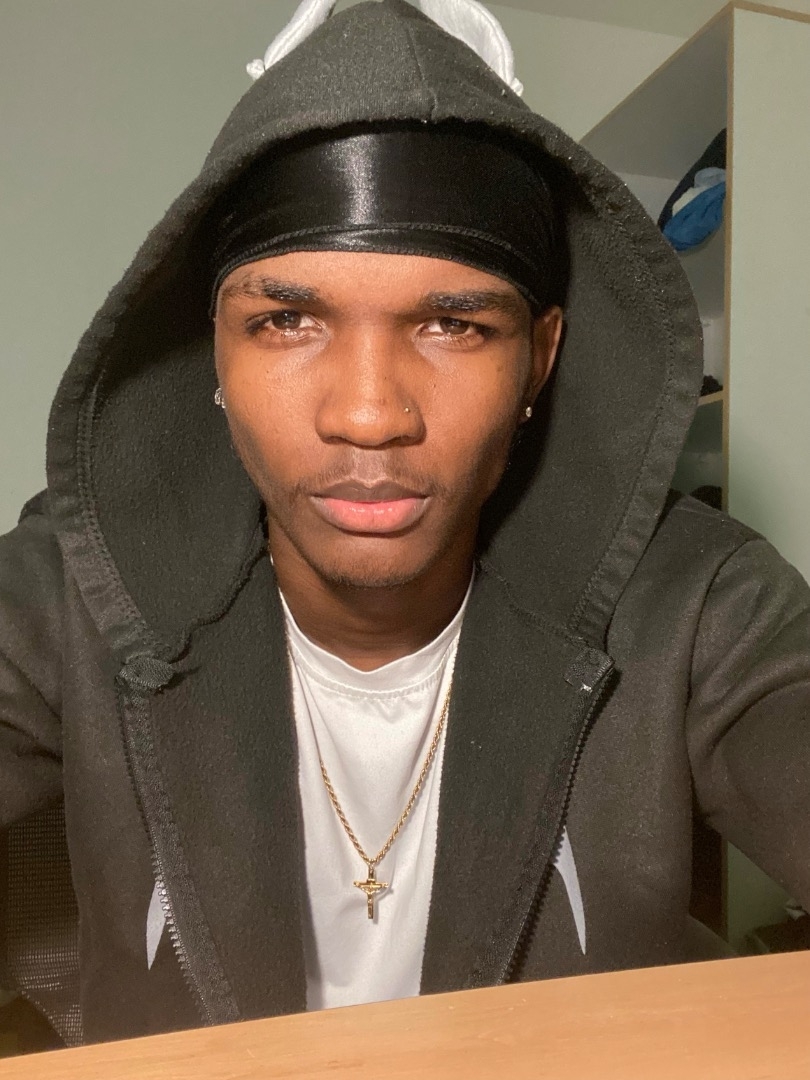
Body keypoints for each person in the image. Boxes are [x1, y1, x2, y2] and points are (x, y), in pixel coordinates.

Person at [1, 0, 809, 1050]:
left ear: (540, 358)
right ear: (213, 350)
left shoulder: (699, 599)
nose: (370, 412)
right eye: (287, 320)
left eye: (453, 324)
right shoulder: (70, 586)